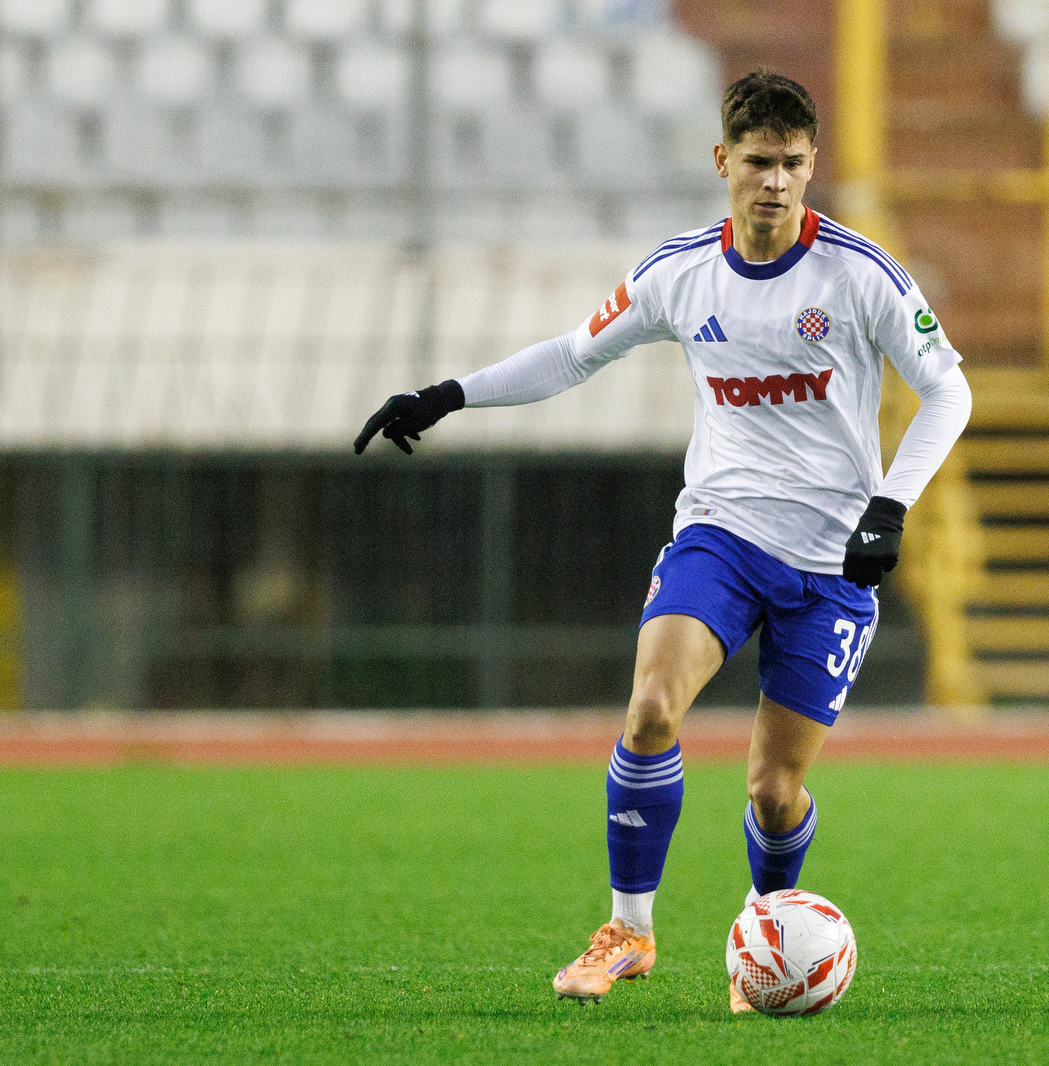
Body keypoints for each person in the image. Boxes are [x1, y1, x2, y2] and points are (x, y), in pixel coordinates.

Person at [354, 70, 971, 1012]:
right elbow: (572, 353)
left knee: (773, 792)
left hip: (830, 564)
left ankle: (770, 936)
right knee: (650, 707)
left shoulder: (859, 274)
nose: (775, 181)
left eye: (793, 165)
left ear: (814, 167)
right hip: (719, 534)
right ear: (724, 161)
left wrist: (890, 505)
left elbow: (949, 390)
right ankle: (629, 932)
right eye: (758, 162)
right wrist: (448, 395)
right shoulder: (681, 273)